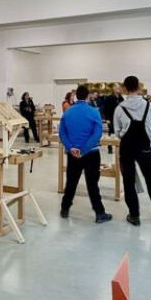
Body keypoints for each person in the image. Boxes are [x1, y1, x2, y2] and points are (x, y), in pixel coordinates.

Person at [114, 76, 151, 225]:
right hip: (144, 147)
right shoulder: (148, 105)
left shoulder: (120, 108)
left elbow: (117, 131)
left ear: (124, 89)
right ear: (138, 87)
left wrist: (126, 137)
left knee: (128, 180)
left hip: (126, 148)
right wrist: (147, 142)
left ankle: (134, 215)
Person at [59, 85, 112, 224]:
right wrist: (84, 149)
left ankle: (64, 209)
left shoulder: (68, 113)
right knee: (92, 184)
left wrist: (71, 148)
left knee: (71, 182)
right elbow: (97, 133)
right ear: (88, 96)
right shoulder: (94, 112)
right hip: (91, 153)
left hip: (73, 154)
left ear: (76, 96)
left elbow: (62, 133)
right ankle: (99, 213)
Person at [104, 84, 124, 154]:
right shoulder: (109, 98)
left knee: (120, 133)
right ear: (114, 89)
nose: (119, 90)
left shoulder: (121, 98)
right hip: (111, 118)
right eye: (118, 88)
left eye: (120, 89)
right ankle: (109, 147)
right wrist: (107, 119)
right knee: (111, 133)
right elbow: (106, 109)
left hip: (119, 119)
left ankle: (120, 146)